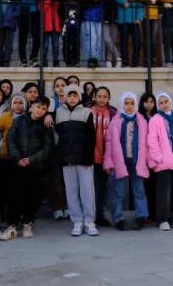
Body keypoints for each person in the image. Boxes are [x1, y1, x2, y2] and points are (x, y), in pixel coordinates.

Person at [2, 95, 54, 240]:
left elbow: (47, 147)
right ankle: (12, 225)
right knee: (14, 196)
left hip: (35, 167)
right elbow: (10, 139)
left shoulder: (45, 126)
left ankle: (28, 223)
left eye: (44, 108)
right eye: (38, 107)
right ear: (31, 106)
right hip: (17, 166)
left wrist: (30, 160)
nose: (40, 110)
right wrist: (18, 158)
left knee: (32, 197)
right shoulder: (19, 121)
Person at [54, 84, 98, 237]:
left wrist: (88, 157)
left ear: (79, 97)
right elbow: (56, 136)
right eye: (69, 95)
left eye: (75, 95)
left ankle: (89, 221)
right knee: (71, 191)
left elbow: (91, 137)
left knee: (87, 190)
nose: (72, 98)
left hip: (83, 159)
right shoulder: (58, 113)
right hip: (67, 159)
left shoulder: (87, 113)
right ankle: (77, 221)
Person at [104, 92, 149, 231]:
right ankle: (118, 218)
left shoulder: (142, 121)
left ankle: (141, 216)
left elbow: (147, 143)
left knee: (139, 189)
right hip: (120, 160)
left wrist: (148, 161)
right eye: (126, 103)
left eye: (132, 103)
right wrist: (109, 162)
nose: (129, 107)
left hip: (137, 160)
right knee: (118, 191)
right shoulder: (116, 121)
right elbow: (110, 143)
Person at [147, 93, 173, 230]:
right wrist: (159, 158)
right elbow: (152, 141)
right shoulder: (155, 120)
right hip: (164, 161)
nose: (164, 104)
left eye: (166, 101)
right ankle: (162, 218)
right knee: (163, 192)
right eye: (161, 102)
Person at [0, 94, 27, 229]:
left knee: (18, 190)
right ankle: (2, 216)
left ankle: (18, 217)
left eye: (21, 103)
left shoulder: (28, 118)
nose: (18, 105)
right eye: (15, 103)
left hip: (22, 160)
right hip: (6, 158)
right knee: (3, 190)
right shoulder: (7, 117)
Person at [91, 86, 117, 226]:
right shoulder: (88, 112)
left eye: (104, 96)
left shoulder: (112, 113)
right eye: (99, 96)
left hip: (107, 157)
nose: (102, 99)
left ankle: (100, 215)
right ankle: (91, 216)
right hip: (91, 157)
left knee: (103, 188)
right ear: (94, 97)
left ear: (108, 98)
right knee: (93, 188)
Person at [13, 0, 48, 67]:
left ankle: (34, 58)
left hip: (34, 12)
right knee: (22, 37)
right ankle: (23, 59)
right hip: (23, 12)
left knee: (36, 37)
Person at [47, 77, 70, 220]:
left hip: (69, 144)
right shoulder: (50, 103)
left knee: (69, 179)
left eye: (63, 85)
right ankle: (57, 207)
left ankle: (68, 206)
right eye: (57, 86)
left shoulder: (72, 100)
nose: (60, 88)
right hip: (54, 145)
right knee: (56, 178)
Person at [110, 0, 144, 68]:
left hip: (134, 22)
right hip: (123, 22)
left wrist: (139, 18)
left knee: (136, 42)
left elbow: (140, 7)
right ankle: (125, 62)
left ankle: (135, 63)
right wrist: (124, 2)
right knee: (123, 42)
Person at [135, 0, 169, 67]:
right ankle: (146, 60)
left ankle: (153, 59)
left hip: (155, 17)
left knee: (153, 39)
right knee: (146, 39)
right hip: (145, 17)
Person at [80, 0, 109, 68]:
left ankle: (96, 58)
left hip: (98, 18)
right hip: (89, 18)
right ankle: (91, 58)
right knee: (91, 39)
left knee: (98, 40)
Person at [139, 92, 159, 223]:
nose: (149, 104)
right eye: (146, 101)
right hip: (142, 155)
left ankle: (155, 213)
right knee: (144, 187)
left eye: (151, 101)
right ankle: (145, 214)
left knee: (156, 186)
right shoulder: (139, 117)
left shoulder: (158, 117)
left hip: (156, 155)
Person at [59, 0, 83, 67]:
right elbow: (59, 9)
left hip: (76, 22)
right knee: (66, 42)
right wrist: (62, 20)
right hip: (65, 22)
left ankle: (76, 61)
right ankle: (67, 61)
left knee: (76, 42)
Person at [42, 0, 62, 67]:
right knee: (45, 45)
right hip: (46, 24)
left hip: (56, 24)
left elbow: (60, 10)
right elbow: (41, 8)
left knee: (56, 45)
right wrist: (49, 0)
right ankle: (44, 62)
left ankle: (56, 62)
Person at [102, 0, 120, 68]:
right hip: (104, 18)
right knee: (106, 39)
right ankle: (118, 57)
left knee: (112, 40)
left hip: (115, 18)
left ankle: (108, 61)